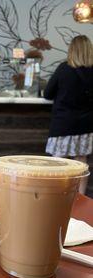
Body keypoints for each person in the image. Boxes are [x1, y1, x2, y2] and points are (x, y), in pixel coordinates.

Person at [44, 35, 93, 194]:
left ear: (72, 50)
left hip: (63, 124)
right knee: (81, 162)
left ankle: (55, 196)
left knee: (57, 163)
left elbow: (47, 94)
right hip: (86, 125)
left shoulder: (64, 69)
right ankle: (80, 197)